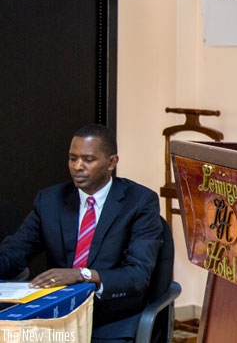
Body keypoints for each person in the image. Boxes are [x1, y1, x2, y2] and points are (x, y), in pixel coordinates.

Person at [0, 124, 163, 343]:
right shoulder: (50, 200)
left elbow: (137, 274)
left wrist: (82, 274)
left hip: (111, 319)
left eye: (88, 160)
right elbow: (15, 251)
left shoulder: (139, 202)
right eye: (72, 158)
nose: (78, 167)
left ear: (111, 162)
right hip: (56, 315)